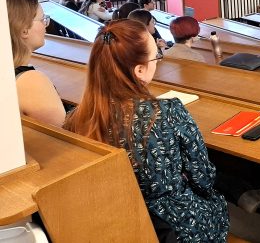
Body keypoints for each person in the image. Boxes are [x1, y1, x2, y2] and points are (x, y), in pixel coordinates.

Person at [64, 19, 229, 241]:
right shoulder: (168, 112)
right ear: (140, 70)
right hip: (173, 226)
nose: (158, 61)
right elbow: (203, 178)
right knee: (217, 199)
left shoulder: (77, 118)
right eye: (156, 56)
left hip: (117, 221)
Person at [7, 0, 66, 126]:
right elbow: (65, 131)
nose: (46, 25)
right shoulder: (31, 80)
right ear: (24, 30)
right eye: (42, 19)